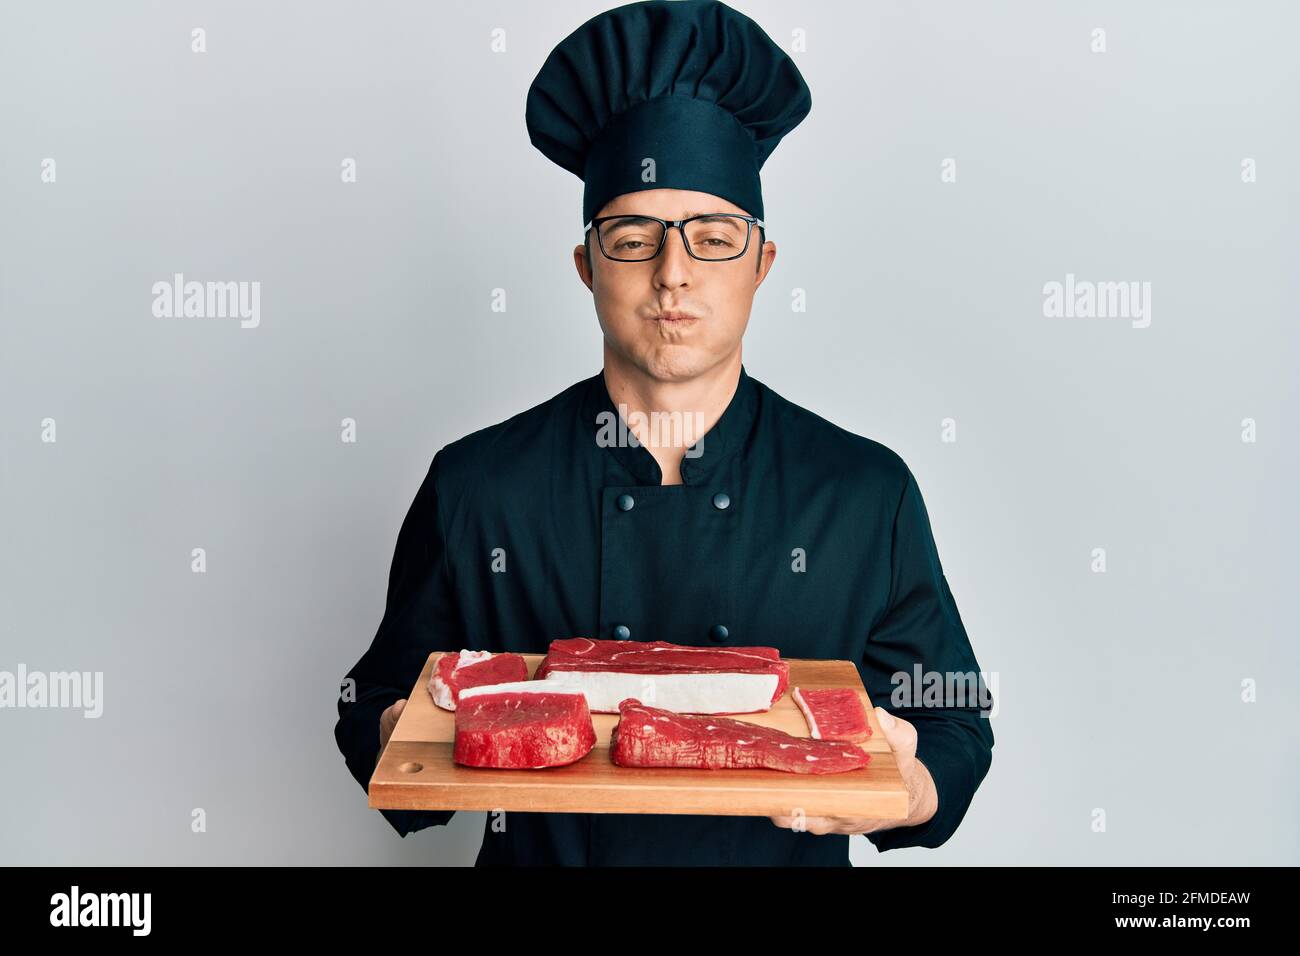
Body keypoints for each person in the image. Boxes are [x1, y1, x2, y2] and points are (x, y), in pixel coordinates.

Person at [334, 0, 993, 866]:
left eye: (713, 238)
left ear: (761, 265)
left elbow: (952, 721)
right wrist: (404, 735)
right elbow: (372, 699)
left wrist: (910, 787)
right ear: (587, 266)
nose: (672, 274)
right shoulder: (479, 485)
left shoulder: (864, 492)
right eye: (633, 238)